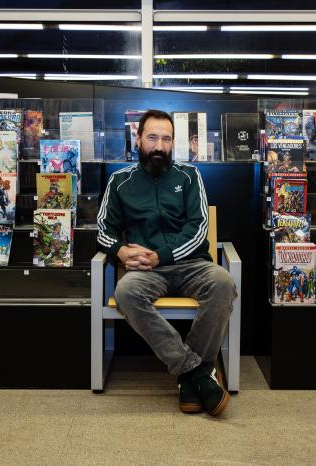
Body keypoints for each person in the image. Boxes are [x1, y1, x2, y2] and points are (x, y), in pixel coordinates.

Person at [97, 109, 237, 417]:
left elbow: (198, 229)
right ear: (138, 139)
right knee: (126, 292)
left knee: (223, 282)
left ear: (173, 142)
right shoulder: (120, 181)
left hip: (191, 264)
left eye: (166, 139)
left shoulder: (189, 176)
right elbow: (104, 229)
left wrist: (162, 254)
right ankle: (196, 373)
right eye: (152, 138)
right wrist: (120, 251)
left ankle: (191, 381)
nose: (159, 146)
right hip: (146, 272)